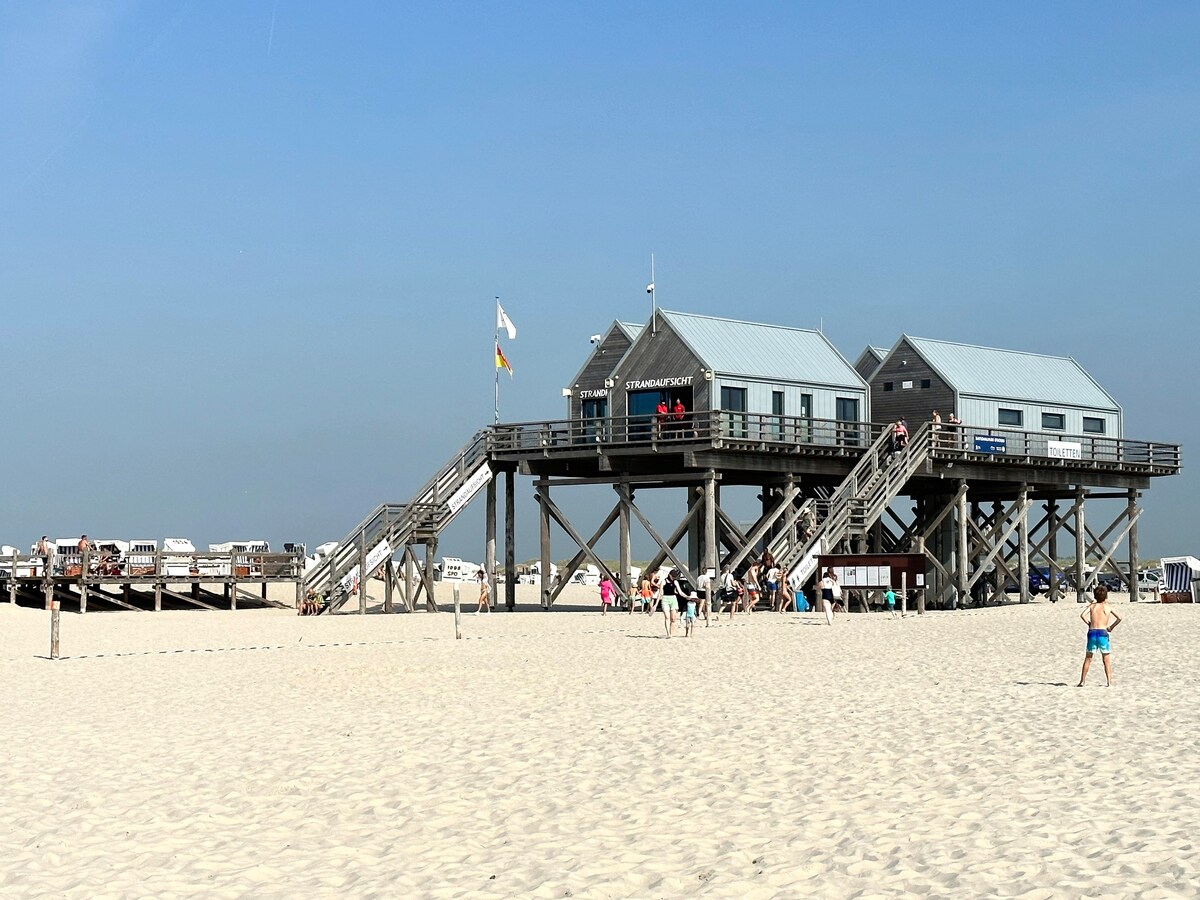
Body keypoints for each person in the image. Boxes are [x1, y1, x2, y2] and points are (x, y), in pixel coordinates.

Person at [1078, 586, 1122, 686]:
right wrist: (1111, 627)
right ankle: (1109, 682)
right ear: (1106, 596)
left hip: (1092, 632)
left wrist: (1088, 623)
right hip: (1103, 632)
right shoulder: (1108, 607)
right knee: (1106, 659)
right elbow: (1119, 618)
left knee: (1088, 658)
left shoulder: (1092, 606)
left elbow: (1082, 615)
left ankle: (1082, 681)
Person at [660, 570, 679, 637]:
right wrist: (656, 604)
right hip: (665, 599)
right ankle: (668, 633)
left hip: (673, 599)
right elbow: (660, 593)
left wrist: (687, 596)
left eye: (675, 576)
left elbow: (680, 591)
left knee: (673, 619)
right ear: (669, 575)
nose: (673, 577)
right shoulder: (663, 581)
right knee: (667, 617)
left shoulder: (675, 582)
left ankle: (671, 633)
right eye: (673, 576)